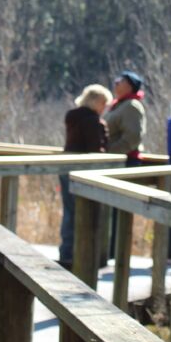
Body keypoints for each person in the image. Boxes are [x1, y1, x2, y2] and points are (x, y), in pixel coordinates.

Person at [58, 84, 111, 270]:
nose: (105, 108)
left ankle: (67, 252)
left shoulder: (71, 116)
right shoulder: (92, 121)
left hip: (66, 168)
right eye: (104, 103)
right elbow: (94, 149)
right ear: (96, 102)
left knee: (69, 212)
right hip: (83, 172)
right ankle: (83, 255)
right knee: (85, 213)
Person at [104, 70, 146, 166]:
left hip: (126, 162)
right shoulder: (118, 105)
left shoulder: (132, 105)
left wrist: (109, 150)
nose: (116, 83)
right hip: (114, 160)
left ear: (130, 86)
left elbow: (133, 138)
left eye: (122, 81)